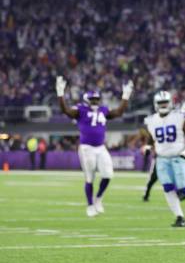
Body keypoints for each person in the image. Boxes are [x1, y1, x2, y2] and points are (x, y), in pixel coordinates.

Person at [56, 76, 133, 217]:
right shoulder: (80, 110)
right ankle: (90, 205)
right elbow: (66, 111)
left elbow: (119, 112)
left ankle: (98, 199)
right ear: (86, 101)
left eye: (97, 100)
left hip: (100, 147)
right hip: (86, 148)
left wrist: (125, 96)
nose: (95, 102)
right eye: (92, 100)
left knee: (108, 174)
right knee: (90, 177)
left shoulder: (103, 110)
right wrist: (60, 93)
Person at [144, 91, 185, 227]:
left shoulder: (179, 117)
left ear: (170, 103)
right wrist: (147, 147)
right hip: (162, 158)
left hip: (178, 156)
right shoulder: (151, 120)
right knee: (168, 188)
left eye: (165, 102)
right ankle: (180, 217)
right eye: (160, 103)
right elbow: (151, 136)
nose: (163, 105)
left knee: (183, 190)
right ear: (156, 104)